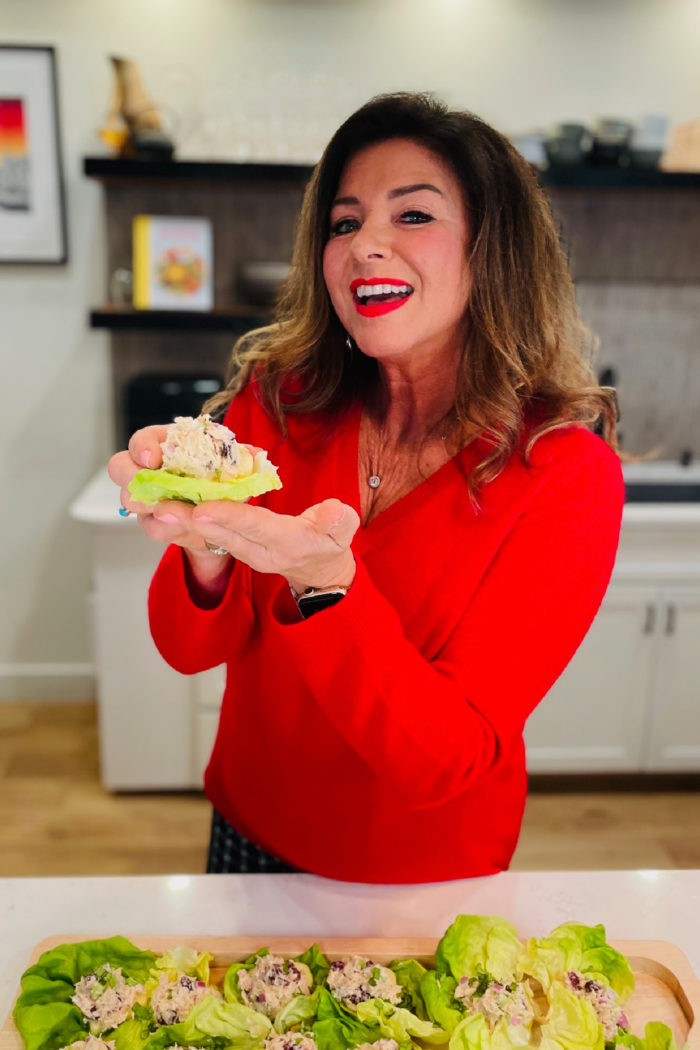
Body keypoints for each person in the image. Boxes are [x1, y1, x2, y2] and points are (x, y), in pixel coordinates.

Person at [108, 92, 623, 883]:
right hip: (253, 828)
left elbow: (445, 759)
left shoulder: (566, 475)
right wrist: (200, 543)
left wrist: (326, 586)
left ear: (495, 249)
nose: (364, 246)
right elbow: (186, 649)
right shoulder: (284, 401)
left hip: (419, 876)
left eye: (413, 216)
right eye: (344, 224)